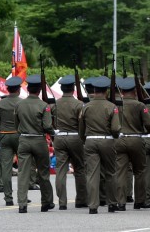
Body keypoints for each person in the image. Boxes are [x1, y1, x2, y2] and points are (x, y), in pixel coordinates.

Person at [79, 76, 121, 214]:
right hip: (106, 140)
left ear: (95, 90)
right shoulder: (111, 107)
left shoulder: (86, 107)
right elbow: (115, 128)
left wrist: (85, 139)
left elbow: (81, 128)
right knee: (110, 172)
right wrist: (114, 137)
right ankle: (112, 203)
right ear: (106, 91)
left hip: (90, 140)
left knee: (92, 174)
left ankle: (93, 205)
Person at [14, 74, 55, 213]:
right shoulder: (44, 105)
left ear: (28, 90)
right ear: (39, 91)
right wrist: (54, 133)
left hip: (24, 140)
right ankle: (46, 202)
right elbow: (48, 126)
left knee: (23, 173)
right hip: (39, 140)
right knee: (43, 173)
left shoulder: (19, 104)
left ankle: (22, 204)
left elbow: (16, 124)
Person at [115, 77, 150, 210]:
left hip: (120, 139)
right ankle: (139, 201)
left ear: (122, 91)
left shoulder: (117, 104)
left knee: (121, 171)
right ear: (135, 91)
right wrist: (148, 130)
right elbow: (149, 124)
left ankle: (121, 202)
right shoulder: (140, 105)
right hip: (136, 139)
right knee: (140, 171)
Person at [53, 75, 87, 210]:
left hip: (60, 137)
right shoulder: (79, 104)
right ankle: (81, 199)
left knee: (60, 170)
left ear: (61, 88)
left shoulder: (55, 104)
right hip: (75, 137)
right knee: (80, 169)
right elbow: (83, 123)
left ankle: (62, 202)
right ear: (73, 89)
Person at [0, 76, 23, 206]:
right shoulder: (22, 102)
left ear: (8, 89)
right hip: (20, 136)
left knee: (6, 168)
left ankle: (8, 198)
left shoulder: (0, 104)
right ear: (19, 90)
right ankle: (22, 195)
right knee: (23, 167)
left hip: (4, 136)